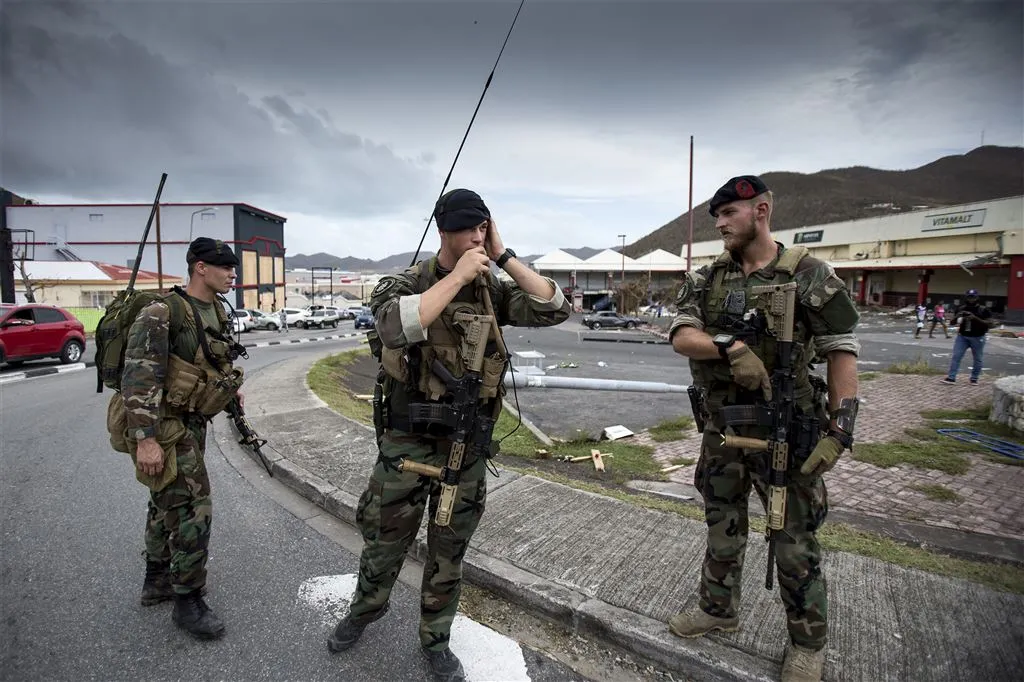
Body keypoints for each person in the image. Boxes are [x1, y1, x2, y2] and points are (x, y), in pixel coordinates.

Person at [327, 188, 571, 681]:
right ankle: (364, 610)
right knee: (385, 538)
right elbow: (395, 327)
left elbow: (553, 308)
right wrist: (458, 275)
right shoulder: (405, 281)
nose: (478, 237)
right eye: (469, 229)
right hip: (409, 438)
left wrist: (504, 257)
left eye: (484, 228)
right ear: (444, 230)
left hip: (466, 442)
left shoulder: (492, 289)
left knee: (449, 548)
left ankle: (435, 638)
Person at [667, 175, 861, 682]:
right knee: (721, 521)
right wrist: (732, 348)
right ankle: (717, 608)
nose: (721, 222)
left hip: (788, 430)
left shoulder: (811, 274)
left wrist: (840, 430)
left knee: (794, 537)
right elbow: (683, 337)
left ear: (762, 211)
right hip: (725, 429)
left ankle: (807, 643)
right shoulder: (707, 279)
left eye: (731, 212)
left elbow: (842, 349)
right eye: (717, 215)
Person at [121, 237, 245, 640]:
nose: (232, 273)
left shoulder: (217, 311)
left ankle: (155, 580)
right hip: (167, 425)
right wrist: (145, 439)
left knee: (164, 500)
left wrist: (228, 391)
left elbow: (211, 359)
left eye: (233, 267)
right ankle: (187, 600)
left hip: (195, 421)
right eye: (224, 266)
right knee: (195, 507)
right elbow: (139, 378)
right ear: (199, 268)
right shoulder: (162, 312)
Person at [942, 289, 993, 384]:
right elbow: (952, 323)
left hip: (978, 336)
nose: (971, 299)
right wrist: (957, 316)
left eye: (973, 297)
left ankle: (974, 378)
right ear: (966, 297)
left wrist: (975, 318)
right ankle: (951, 377)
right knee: (956, 356)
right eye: (969, 297)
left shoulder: (983, 309)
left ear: (977, 298)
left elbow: (990, 323)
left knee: (977, 358)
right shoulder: (961, 308)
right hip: (963, 336)